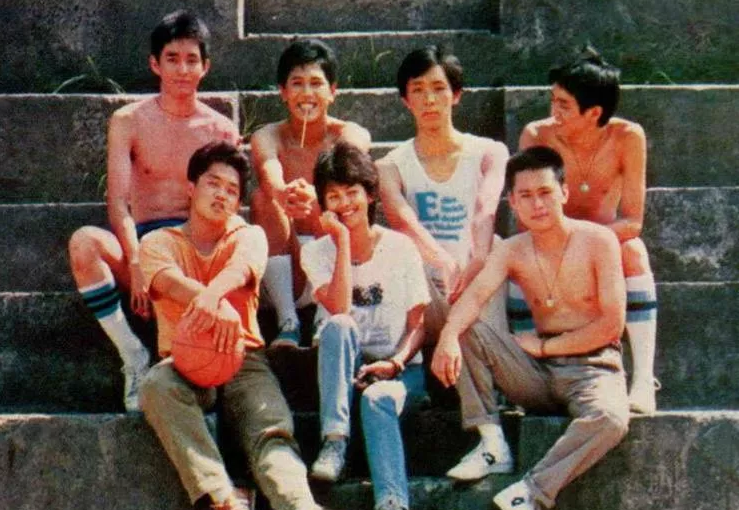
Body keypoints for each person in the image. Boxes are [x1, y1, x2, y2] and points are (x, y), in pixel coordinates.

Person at [138, 141, 363, 510]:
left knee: (271, 428)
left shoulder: (250, 236)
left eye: (232, 189)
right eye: (213, 183)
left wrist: (213, 299)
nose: (222, 194)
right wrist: (212, 303)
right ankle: (227, 499)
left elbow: (244, 268)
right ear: (191, 187)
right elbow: (166, 281)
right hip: (185, 363)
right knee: (155, 385)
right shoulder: (158, 242)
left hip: (244, 358)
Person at [431, 146, 629, 510]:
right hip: (536, 372)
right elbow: (475, 296)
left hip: (593, 367)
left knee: (611, 418)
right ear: (512, 202)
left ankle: (530, 492)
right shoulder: (512, 249)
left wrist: (547, 347)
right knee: (465, 328)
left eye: (545, 192)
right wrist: (448, 335)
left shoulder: (599, 240)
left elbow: (612, 324)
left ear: (564, 193)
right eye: (526, 196)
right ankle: (491, 442)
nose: (537, 204)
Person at [67, 11, 239, 411]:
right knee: (84, 244)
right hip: (143, 245)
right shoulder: (128, 121)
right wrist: (137, 258)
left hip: (192, 253)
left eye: (192, 60)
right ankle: (133, 357)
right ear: (154, 64)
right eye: (172, 59)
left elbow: (228, 207)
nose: (182, 70)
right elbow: (118, 202)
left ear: (205, 66)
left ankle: (196, 369)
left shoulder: (220, 130)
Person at [301, 141, 430, 510]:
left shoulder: (401, 248)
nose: (344, 203)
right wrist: (341, 241)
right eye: (333, 196)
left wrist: (395, 363)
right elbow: (339, 307)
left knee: (377, 399)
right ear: (323, 203)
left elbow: (419, 324)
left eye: (352, 192)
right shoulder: (316, 253)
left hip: (400, 369)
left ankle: (391, 508)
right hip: (344, 370)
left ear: (370, 194)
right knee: (339, 326)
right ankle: (335, 441)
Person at [517, 48, 658, 414]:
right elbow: (524, 211)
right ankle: (521, 369)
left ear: (594, 112)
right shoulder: (537, 135)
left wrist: (587, 244)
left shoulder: (627, 137)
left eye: (564, 105)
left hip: (605, 241)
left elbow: (633, 220)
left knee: (635, 250)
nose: (554, 112)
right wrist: (562, 242)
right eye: (553, 101)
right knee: (513, 254)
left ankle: (643, 379)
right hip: (547, 239)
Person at [376, 48, 509, 338]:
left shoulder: (489, 152)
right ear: (405, 100)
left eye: (438, 88)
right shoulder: (390, 166)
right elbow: (403, 222)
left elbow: (485, 210)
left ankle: (478, 342)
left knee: (497, 246)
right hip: (424, 285)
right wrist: (444, 262)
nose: (429, 99)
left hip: (475, 274)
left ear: (456, 95)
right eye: (418, 90)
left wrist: (477, 261)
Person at [249, 39, 370, 347]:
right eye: (297, 83)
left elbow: (345, 173)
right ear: (283, 91)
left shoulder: (350, 134)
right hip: (284, 262)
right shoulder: (268, 135)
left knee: (332, 199)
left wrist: (313, 197)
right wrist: (283, 192)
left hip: (333, 258)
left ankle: (323, 317)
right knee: (262, 198)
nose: (306, 93)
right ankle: (287, 320)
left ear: (333, 91)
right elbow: (268, 168)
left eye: (316, 83)